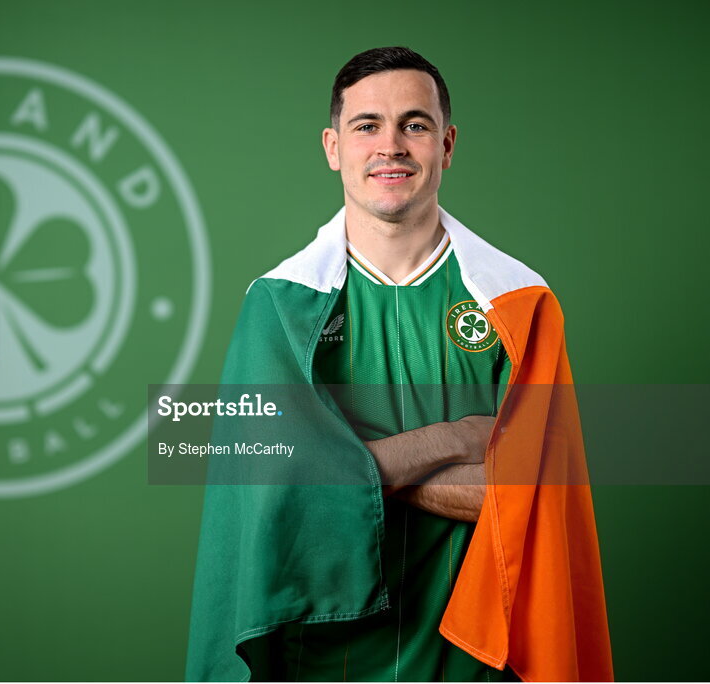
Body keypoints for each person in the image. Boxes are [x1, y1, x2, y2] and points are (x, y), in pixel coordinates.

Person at [185, 47, 613, 682]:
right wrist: (455, 439)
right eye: (367, 126)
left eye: (415, 124)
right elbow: (265, 498)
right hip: (318, 660)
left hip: (473, 660)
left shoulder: (519, 304)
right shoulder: (277, 305)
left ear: (447, 144)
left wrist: (333, 469)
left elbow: (530, 501)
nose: (391, 145)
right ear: (334, 146)